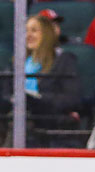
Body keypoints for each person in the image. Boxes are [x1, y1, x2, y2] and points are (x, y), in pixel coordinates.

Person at [25, 14, 83, 143]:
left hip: (49, 122)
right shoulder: (18, 63)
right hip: (21, 120)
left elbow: (72, 99)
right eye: (26, 31)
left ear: (47, 34)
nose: (28, 35)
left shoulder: (64, 60)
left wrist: (38, 97)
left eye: (34, 30)